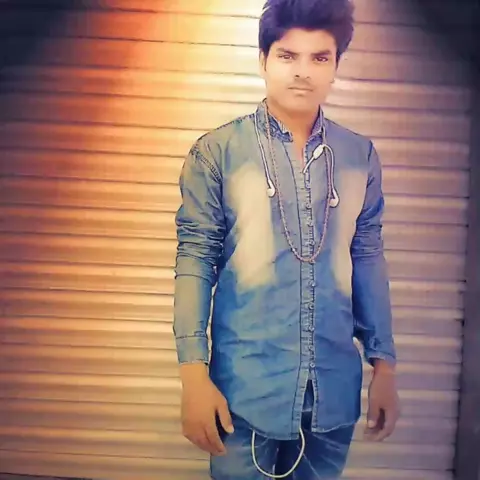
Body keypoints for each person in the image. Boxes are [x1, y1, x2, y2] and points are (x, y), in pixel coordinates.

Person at [173, 0, 400, 478]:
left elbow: (367, 257)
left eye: (320, 57)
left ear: (336, 65)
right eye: (287, 55)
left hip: (333, 395)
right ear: (264, 60)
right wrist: (192, 374)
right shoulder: (218, 152)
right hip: (244, 393)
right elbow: (195, 259)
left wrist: (384, 365)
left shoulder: (358, 156)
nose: (303, 71)